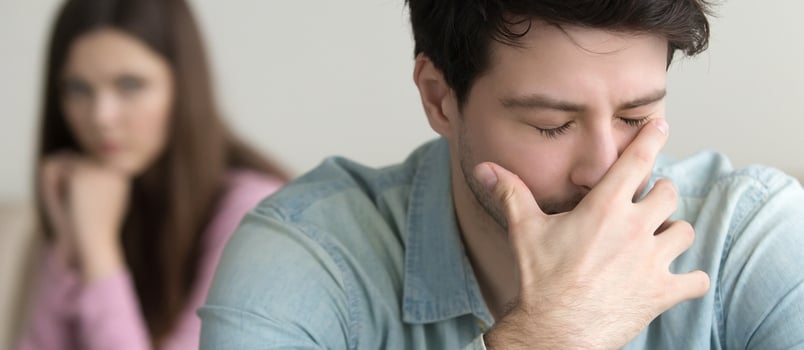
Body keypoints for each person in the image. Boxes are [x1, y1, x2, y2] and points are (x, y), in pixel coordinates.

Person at [199, 0, 804, 349]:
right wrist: (546, 336)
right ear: (440, 99)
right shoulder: (309, 253)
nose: (605, 167)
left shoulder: (748, 234)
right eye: (550, 124)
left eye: (635, 115)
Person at [15, 0, 289, 348]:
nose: (101, 116)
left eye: (130, 85)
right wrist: (69, 246)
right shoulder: (98, 196)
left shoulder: (255, 211)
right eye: (78, 89)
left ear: (183, 85)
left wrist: (99, 250)